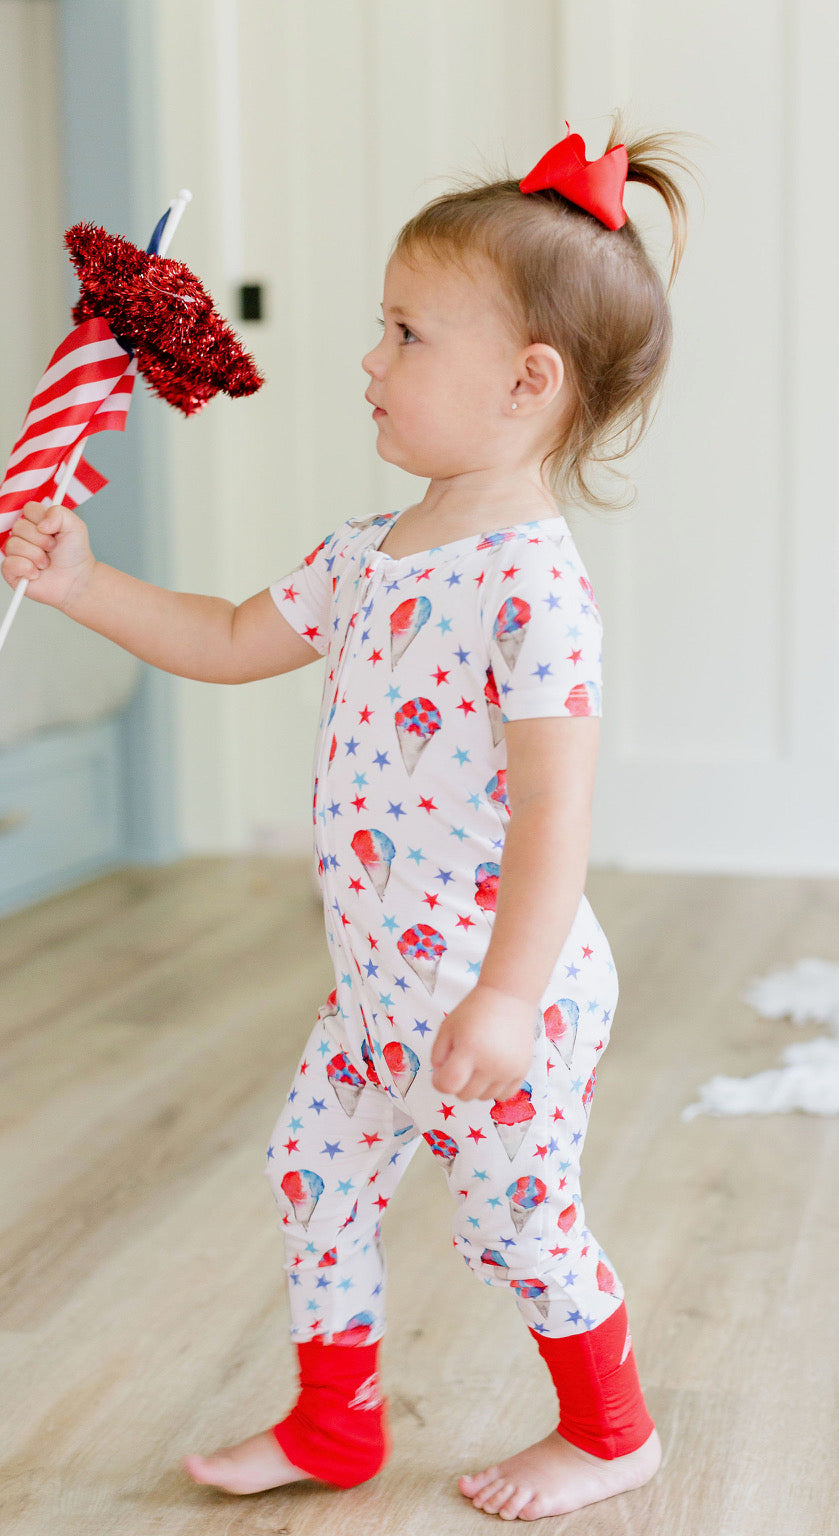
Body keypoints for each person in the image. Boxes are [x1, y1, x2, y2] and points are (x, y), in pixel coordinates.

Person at [2, 113, 695, 1521]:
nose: (368, 362)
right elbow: (224, 634)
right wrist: (82, 583)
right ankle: (335, 1424)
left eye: (404, 334)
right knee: (313, 1174)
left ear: (527, 382)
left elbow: (558, 815)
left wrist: (504, 999)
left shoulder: (533, 591)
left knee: (516, 1223)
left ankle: (613, 1428)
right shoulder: (369, 556)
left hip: (501, 988)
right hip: (382, 984)